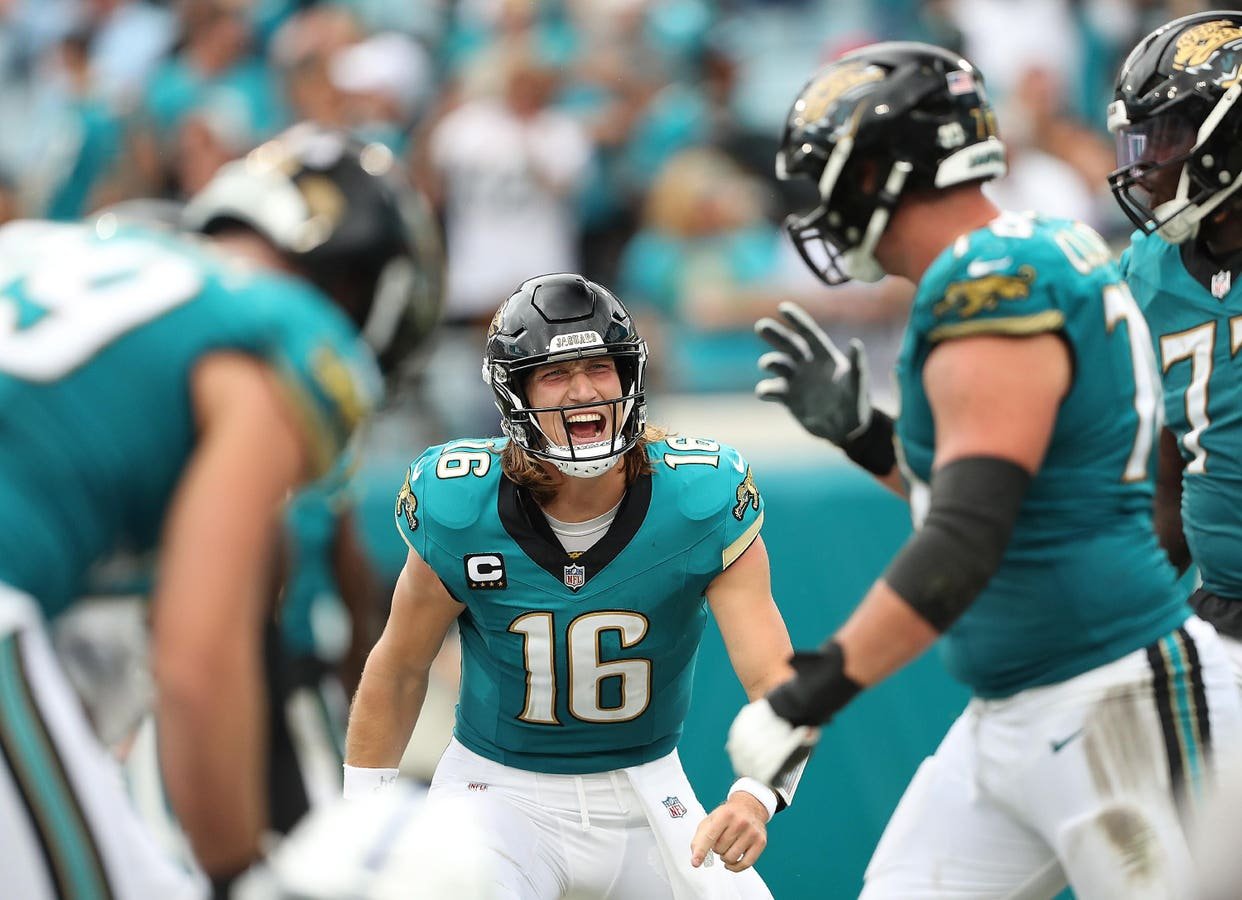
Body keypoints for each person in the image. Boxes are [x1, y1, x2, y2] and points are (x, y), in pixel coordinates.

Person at [724, 42, 1242, 898]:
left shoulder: (998, 281)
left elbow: (969, 533)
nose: (819, 209)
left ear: (878, 174)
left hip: (1112, 692)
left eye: (828, 180)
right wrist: (866, 437)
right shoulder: (1023, 259)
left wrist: (814, 689)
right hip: (1015, 699)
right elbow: (998, 495)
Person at [0, 122, 442, 900]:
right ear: (357, 294)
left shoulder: (55, 246)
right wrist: (238, 871)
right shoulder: (277, 334)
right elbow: (194, 660)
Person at [345, 273, 793, 899]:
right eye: (555, 374)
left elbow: (777, 682)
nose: (583, 392)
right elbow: (399, 667)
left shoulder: (699, 499)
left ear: (629, 376)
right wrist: (362, 820)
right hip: (495, 793)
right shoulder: (462, 504)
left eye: (599, 368)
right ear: (516, 392)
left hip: (647, 787)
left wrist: (756, 795)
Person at [1106, 12, 1242, 682]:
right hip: (1222, 616)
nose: (1143, 165)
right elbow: (1170, 492)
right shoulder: (1146, 274)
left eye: (1164, 137)